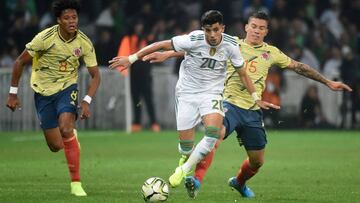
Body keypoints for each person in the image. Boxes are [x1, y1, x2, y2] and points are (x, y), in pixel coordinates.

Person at [142, 11, 352, 199]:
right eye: (253, 26)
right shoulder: (231, 43)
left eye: (261, 28)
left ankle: (239, 182)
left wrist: (328, 82)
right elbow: (199, 47)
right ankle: (195, 180)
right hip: (227, 102)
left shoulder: (272, 53)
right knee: (215, 136)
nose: (256, 31)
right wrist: (168, 53)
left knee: (257, 161)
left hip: (252, 110)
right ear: (246, 27)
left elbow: (300, 67)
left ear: (266, 31)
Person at [109, 10, 277, 189]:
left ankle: (184, 170)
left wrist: (254, 97)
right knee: (186, 148)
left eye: (216, 30)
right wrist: (132, 58)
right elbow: (162, 44)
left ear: (222, 28)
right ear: (203, 29)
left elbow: (242, 72)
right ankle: (185, 157)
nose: (212, 35)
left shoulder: (230, 45)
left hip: (212, 93)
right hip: (187, 94)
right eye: (208, 30)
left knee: (212, 133)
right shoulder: (193, 39)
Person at [6, 0, 100, 197]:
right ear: (58, 20)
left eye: (74, 17)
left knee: (66, 128)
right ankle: (72, 141)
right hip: (43, 92)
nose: (71, 21)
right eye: (67, 18)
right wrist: (13, 93)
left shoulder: (84, 42)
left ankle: (76, 183)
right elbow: (19, 62)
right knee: (56, 146)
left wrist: (86, 100)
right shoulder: (45, 38)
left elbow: (96, 76)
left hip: (67, 88)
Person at [117, 19, 160, 132]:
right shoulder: (130, 39)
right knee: (136, 100)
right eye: (137, 25)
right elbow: (125, 54)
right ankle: (137, 123)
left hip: (146, 74)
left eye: (140, 25)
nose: (139, 27)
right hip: (134, 75)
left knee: (149, 99)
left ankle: (154, 122)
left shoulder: (147, 38)